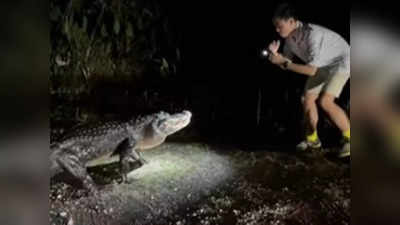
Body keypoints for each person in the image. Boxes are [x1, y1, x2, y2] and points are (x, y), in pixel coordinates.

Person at [267, 3, 350, 157]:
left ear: (291, 21)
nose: (277, 30)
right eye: (275, 27)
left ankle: (349, 138)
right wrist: (276, 57)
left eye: (279, 26)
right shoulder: (290, 40)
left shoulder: (313, 34)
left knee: (325, 101)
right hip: (321, 65)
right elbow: (287, 63)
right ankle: (313, 140)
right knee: (307, 99)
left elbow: (309, 70)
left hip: (341, 61)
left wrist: (284, 62)